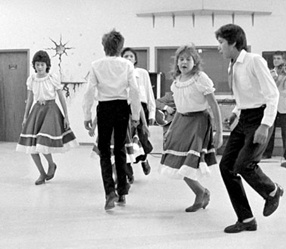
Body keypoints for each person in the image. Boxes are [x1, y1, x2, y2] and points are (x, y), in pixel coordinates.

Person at [215, 24, 284, 233]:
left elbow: (272, 95)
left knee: (245, 165)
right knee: (226, 167)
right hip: (244, 118)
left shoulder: (254, 61)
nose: (219, 47)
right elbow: (247, 95)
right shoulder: (233, 64)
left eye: (221, 43)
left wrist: (265, 125)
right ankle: (246, 219)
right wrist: (236, 112)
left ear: (233, 42)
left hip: (259, 118)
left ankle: (272, 191)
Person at [159, 44, 223, 212]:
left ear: (195, 62)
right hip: (181, 122)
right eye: (181, 59)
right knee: (179, 165)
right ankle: (202, 192)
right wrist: (171, 130)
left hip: (198, 123)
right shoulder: (177, 81)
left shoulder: (200, 78)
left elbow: (213, 105)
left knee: (188, 163)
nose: (184, 62)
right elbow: (180, 107)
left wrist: (218, 132)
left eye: (188, 59)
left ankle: (200, 194)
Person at [83, 29, 142, 210]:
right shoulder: (127, 65)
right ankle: (122, 192)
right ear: (121, 47)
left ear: (104, 47)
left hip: (105, 107)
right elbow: (134, 90)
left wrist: (87, 115)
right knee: (120, 149)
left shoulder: (96, 65)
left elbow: (89, 92)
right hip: (122, 106)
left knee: (104, 151)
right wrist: (136, 114)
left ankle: (109, 191)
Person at [16, 50, 77, 185]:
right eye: (37, 64)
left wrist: (66, 116)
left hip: (51, 110)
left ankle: (51, 164)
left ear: (47, 65)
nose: (39, 67)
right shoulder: (31, 79)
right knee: (31, 145)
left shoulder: (52, 78)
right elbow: (30, 99)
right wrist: (25, 117)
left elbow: (61, 97)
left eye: (42, 65)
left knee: (42, 142)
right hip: (37, 110)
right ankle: (42, 173)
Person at [121, 47, 154, 180]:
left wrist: (152, 113)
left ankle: (144, 159)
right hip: (125, 109)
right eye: (125, 56)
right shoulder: (119, 75)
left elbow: (149, 94)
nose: (128, 58)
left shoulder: (142, 73)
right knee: (126, 141)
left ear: (135, 60)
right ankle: (129, 173)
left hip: (142, 110)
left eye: (131, 56)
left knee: (142, 140)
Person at [264, 51, 286, 161]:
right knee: (270, 130)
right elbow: (271, 85)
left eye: (278, 58)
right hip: (272, 105)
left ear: (284, 60)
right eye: (274, 59)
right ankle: (267, 153)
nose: (276, 60)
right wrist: (277, 75)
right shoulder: (270, 72)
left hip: (284, 105)